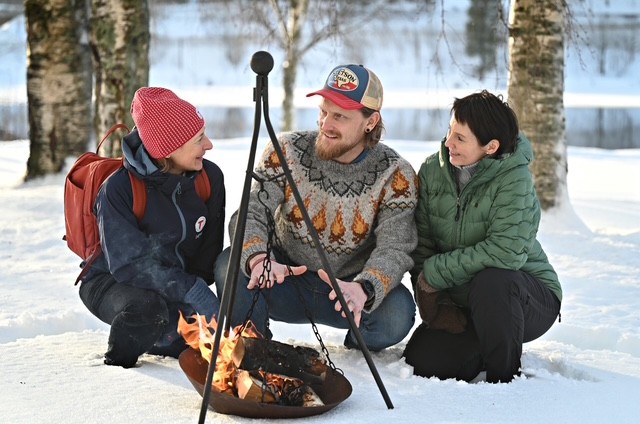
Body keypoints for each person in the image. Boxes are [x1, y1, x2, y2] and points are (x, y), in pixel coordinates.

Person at [214, 64, 418, 351]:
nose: (325, 124)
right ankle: (254, 349)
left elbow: (395, 247)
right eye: (323, 111)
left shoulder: (395, 174)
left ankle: (356, 351)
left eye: (339, 117)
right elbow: (252, 211)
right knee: (230, 264)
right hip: (282, 277)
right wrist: (259, 260)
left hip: (346, 291)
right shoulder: (287, 150)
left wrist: (364, 289)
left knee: (398, 312)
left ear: (370, 121)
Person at [402, 90, 562, 383]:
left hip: (524, 297)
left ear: (490, 147)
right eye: (450, 131)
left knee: (494, 280)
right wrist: (439, 306)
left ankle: (504, 378)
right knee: (423, 360)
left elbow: (505, 252)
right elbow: (422, 245)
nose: (448, 142)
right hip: (466, 303)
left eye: (460, 138)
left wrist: (436, 272)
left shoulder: (514, 178)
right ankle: (483, 347)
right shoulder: (432, 171)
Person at [78, 87, 225, 368]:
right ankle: (118, 366)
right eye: (198, 139)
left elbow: (205, 261)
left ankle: (163, 335)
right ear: (169, 149)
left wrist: (196, 308)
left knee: (194, 342)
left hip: (171, 286)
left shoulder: (209, 179)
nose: (209, 145)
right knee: (149, 312)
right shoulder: (119, 190)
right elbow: (128, 266)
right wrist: (190, 290)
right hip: (111, 281)